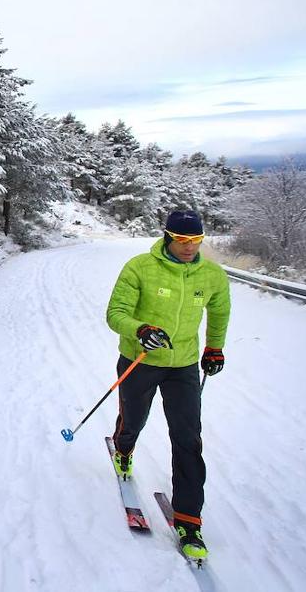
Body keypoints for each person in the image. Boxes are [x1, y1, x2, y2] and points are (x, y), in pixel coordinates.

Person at [105, 209, 230, 562]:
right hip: (140, 360)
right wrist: (141, 329)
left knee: (188, 439)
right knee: (134, 420)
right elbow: (116, 313)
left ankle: (189, 521)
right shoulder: (139, 267)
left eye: (196, 240)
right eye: (182, 239)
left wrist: (214, 347)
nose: (189, 246)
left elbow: (219, 311)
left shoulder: (211, 274)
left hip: (184, 365)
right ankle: (123, 450)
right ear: (167, 236)